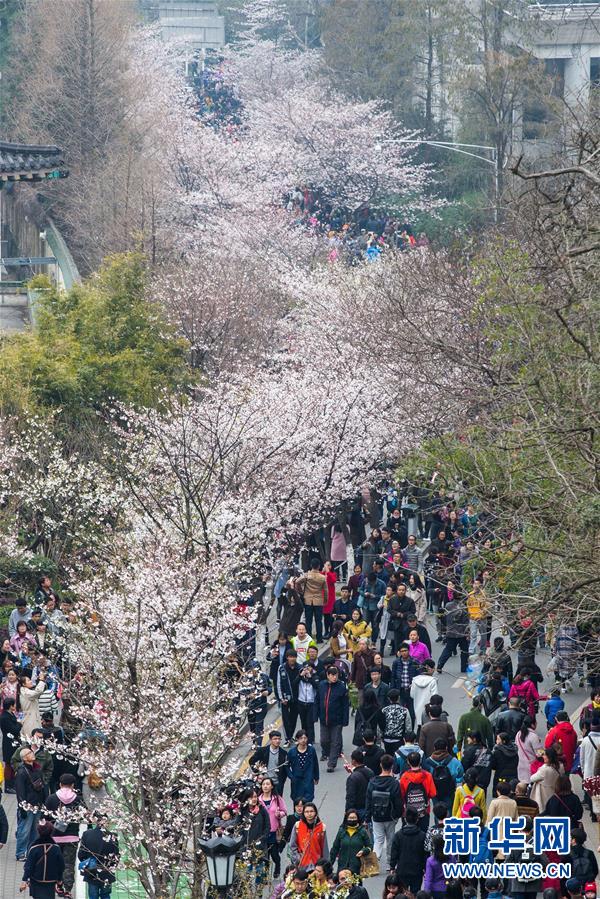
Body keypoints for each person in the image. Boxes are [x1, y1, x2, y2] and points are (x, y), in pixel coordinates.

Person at [44, 772, 86, 898]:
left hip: (54, 837)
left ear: (60, 784)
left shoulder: (51, 798)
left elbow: (45, 817)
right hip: (71, 837)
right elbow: (83, 816)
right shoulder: (78, 799)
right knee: (69, 864)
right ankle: (68, 889)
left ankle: (58, 883)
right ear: (73, 785)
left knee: (55, 862)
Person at [365, 753, 402, 869]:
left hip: (376, 816)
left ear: (380, 765)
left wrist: (367, 816)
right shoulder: (394, 783)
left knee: (378, 840)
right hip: (390, 816)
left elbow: (368, 800)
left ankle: (373, 864)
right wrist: (398, 814)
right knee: (390, 839)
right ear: (392, 766)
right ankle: (391, 864)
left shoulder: (372, 782)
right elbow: (398, 801)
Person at [20, 820, 65, 899]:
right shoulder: (56, 848)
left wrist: (24, 880)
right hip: (51, 882)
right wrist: (59, 879)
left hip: (36, 881)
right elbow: (61, 866)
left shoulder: (34, 848)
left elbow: (29, 867)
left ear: (38, 831)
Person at [15, 747, 46, 861]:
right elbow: (20, 790)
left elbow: (43, 787)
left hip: (37, 804)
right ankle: (20, 853)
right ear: (24, 758)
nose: (32, 754)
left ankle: (31, 852)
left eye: (31, 752)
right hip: (28, 806)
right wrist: (22, 806)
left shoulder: (37, 769)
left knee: (35, 832)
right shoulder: (22, 771)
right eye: (29, 753)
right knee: (24, 831)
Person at [78, 816, 120, 899]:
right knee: (106, 894)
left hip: (91, 869)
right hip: (107, 869)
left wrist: (87, 861)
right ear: (107, 823)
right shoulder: (113, 836)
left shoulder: (87, 834)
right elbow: (116, 857)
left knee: (93, 895)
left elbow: (81, 854)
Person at [316, 666, 349, 772]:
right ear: (327, 675)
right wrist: (315, 715)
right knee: (324, 740)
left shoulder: (341, 687)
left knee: (335, 741)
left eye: (336, 675)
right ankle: (328, 753)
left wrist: (345, 719)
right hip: (323, 719)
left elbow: (345, 705)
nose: (334, 677)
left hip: (337, 720)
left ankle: (331, 764)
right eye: (332, 675)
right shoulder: (321, 686)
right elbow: (317, 700)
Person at [389, 807, 426, 892]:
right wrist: (425, 868)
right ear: (417, 819)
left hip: (402, 869)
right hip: (417, 870)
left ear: (405, 819)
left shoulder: (398, 835)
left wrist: (392, 866)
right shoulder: (422, 835)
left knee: (402, 893)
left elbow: (394, 852)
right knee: (415, 893)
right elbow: (425, 854)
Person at [399, 750, 437, 833]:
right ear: (420, 761)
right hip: (424, 811)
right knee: (423, 834)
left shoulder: (404, 777)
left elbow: (401, 795)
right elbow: (433, 793)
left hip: (409, 812)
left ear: (408, 762)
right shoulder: (427, 775)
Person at [422, 738, 463, 810]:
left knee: (437, 811)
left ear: (434, 748)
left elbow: (425, 777)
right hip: (449, 791)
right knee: (449, 810)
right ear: (446, 748)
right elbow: (460, 776)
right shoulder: (454, 761)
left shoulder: (428, 762)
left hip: (435, 792)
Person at [259, 776, 288, 878]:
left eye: (267, 784)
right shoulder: (258, 800)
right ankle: (265, 875)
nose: (265, 786)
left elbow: (284, 811)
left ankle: (277, 866)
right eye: (263, 784)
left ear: (271, 786)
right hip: (262, 832)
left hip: (274, 831)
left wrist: (279, 814)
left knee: (274, 854)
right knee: (264, 856)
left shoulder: (277, 799)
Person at [329, 810, 372, 875]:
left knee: (356, 884)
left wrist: (364, 851)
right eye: (350, 818)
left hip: (357, 866)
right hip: (342, 866)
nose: (352, 820)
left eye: (354, 818)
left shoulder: (362, 831)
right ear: (346, 819)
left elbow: (369, 846)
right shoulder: (341, 831)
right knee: (342, 884)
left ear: (358, 819)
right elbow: (335, 848)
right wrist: (330, 864)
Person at [289, 802, 328, 871]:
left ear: (315, 812)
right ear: (303, 813)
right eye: (306, 812)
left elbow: (324, 849)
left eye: (311, 811)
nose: (309, 814)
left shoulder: (322, 827)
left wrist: (323, 865)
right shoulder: (297, 826)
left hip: (316, 865)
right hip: (302, 865)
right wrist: (298, 859)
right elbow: (292, 846)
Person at [250, 730, 288, 796]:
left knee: (276, 803)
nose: (277, 741)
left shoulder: (283, 753)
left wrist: (281, 782)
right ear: (270, 740)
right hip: (264, 783)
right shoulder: (262, 751)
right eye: (275, 739)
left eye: (279, 739)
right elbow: (251, 761)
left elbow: (285, 769)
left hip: (277, 784)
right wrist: (258, 773)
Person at [437, 595, 469, 674]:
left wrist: (447, 627)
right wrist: (467, 633)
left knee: (448, 650)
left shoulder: (448, 605)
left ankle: (440, 666)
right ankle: (463, 668)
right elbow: (466, 622)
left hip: (451, 632)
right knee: (464, 651)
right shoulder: (464, 607)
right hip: (462, 633)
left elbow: (443, 618)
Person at [297, 561, 327, 644]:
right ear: (319, 566)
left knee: (308, 620)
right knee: (319, 620)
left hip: (308, 600)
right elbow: (325, 590)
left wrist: (301, 591)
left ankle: (309, 637)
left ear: (311, 565)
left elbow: (297, 582)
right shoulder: (322, 577)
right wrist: (325, 599)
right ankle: (319, 638)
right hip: (319, 600)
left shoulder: (307, 575)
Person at [287, 730, 319, 803]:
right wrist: (291, 776)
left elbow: (315, 764)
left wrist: (316, 777)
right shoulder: (292, 752)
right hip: (296, 780)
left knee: (308, 801)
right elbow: (286, 766)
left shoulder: (311, 750)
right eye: (301, 738)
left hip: (308, 779)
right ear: (297, 739)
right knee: (297, 801)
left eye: (305, 738)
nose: (303, 740)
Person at [391, 644, 418, 726]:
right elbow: (393, 677)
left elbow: (418, 676)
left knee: (412, 714)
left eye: (405, 651)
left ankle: (411, 732)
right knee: (400, 713)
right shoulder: (396, 662)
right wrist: (392, 690)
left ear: (409, 651)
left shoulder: (414, 661)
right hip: (401, 691)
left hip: (411, 691)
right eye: (402, 651)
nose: (404, 653)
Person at [279, 650, 302, 745]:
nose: (292, 659)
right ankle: (287, 738)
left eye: (294, 657)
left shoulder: (300, 668)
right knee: (286, 719)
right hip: (285, 698)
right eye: (290, 657)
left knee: (293, 718)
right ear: (287, 657)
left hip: (296, 698)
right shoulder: (282, 668)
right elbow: (278, 683)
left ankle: (290, 736)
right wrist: (281, 698)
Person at [378, 689, 410, 755]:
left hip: (386, 739)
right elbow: (408, 727)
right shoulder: (404, 710)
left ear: (389, 699)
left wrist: (380, 737)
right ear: (399, 697)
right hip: (399, 740)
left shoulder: (384, 710)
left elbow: (380, 726)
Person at [1, 695, 22, 792]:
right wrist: (19, 723)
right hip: (9, 743)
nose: (15, 706)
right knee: (9, 764)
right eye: (13, 704)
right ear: (10, 706)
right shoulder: (5, 717)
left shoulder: (10, 714)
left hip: (14, 742)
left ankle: (12, 784)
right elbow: (14, 730)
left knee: (13, 763)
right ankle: (8, 786)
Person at [344, 750, 374, 819]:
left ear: (354, 761)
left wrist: (348, 811)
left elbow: (350, 796)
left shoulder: (352, 778)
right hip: (369, 807)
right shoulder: (370, 772)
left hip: (358, 809)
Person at [20, 673, 47, 740]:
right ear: (23, 684)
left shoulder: (25, 691)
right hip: (30, 720)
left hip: (30, 718)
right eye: (28, 680)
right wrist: (41, 680)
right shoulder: (26, 692)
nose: (31, 681)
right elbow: (38, 691)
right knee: (33, 739)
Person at [410, 660, 438, 727]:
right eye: (433, 668)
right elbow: (435, 697)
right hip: (430, 712)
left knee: (420, 729)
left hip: (417, 710)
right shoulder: (433, 681)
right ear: (429, 668)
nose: (434, 670)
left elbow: (412, 695)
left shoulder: (414, 680)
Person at [516, 716, 543, 781]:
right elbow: (540, 753)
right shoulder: (533, 736)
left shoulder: (518, 734)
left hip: (521, 765)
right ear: (532, 724)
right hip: (532, 767)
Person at [466, 578, 489, 656]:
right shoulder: (470, 595)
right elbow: (468, 606)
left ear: (480, 585)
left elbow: (485, 608)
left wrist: (479, 615)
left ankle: (483, 649)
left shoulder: (484, 595)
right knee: (473, 634)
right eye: (474, 584)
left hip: (482, 618)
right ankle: (471, 650)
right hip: (473, 618)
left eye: (477, 584)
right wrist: (472, 615)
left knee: (483, 634)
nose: (475, 585)